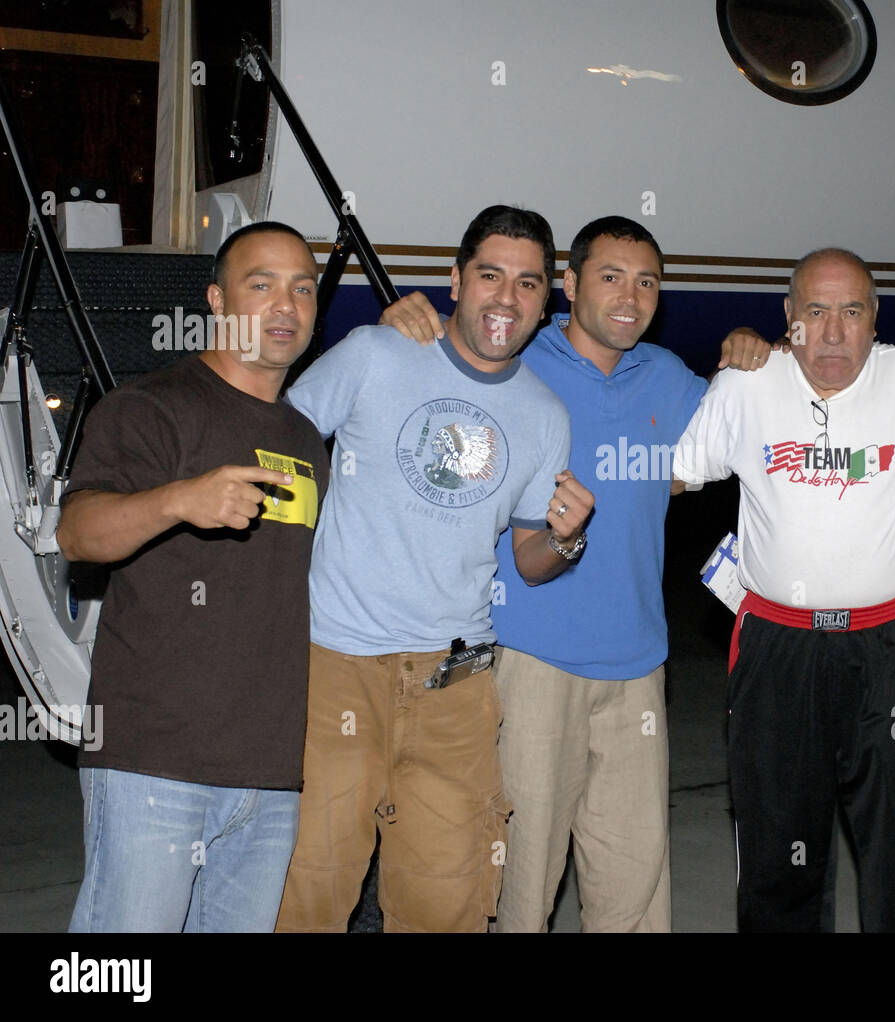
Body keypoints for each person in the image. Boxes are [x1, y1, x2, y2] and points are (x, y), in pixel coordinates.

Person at [380, 215, 775, 932]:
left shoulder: (667, 378)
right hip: (531, 661)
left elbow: (738, 433)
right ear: (567, 286)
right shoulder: (517, 359)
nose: (631, 295)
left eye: (647, 281)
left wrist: (755, 354)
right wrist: (405, 320)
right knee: (519, 880)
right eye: (610, 277)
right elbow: (428, 374)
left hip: (639, 670)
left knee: (635, 881)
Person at [274, 205, 593, 933]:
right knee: (309, 888)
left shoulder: (545, 415)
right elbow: (275, 447)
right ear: (454, 279)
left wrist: (568, 540)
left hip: (456, 682)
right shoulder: (373, 354)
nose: (506, 299)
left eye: (528, 283)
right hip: (337, 667)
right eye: (489, 275)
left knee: (448, 899)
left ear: (548, 302)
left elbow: (530, 560)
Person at [673, 248, 895, 932]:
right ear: (788, 318)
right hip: (777, 645)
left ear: (875, 317)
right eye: (816, 312)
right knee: (778, 849)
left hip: (891, 645)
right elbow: (674, 475)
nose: (833, 333)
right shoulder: (746, 385)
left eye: (852, 312)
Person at [59, 221, 328, 932]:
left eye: (303, 288)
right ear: (215, 299)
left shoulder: (304, 438)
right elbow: (78, 532)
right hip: (156, 762)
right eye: (261, 284)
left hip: (268, 773)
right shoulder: (152, 408)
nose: (285, 305)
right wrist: (181, 499)